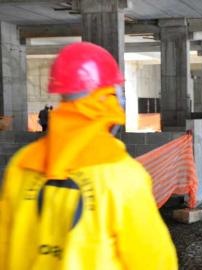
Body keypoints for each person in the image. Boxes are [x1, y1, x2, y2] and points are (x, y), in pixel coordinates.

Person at [0, 42, 178, 270]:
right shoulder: (121, 175)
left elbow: (4, 245)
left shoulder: (22, 164)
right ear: (108, 97)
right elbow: (153, 259)